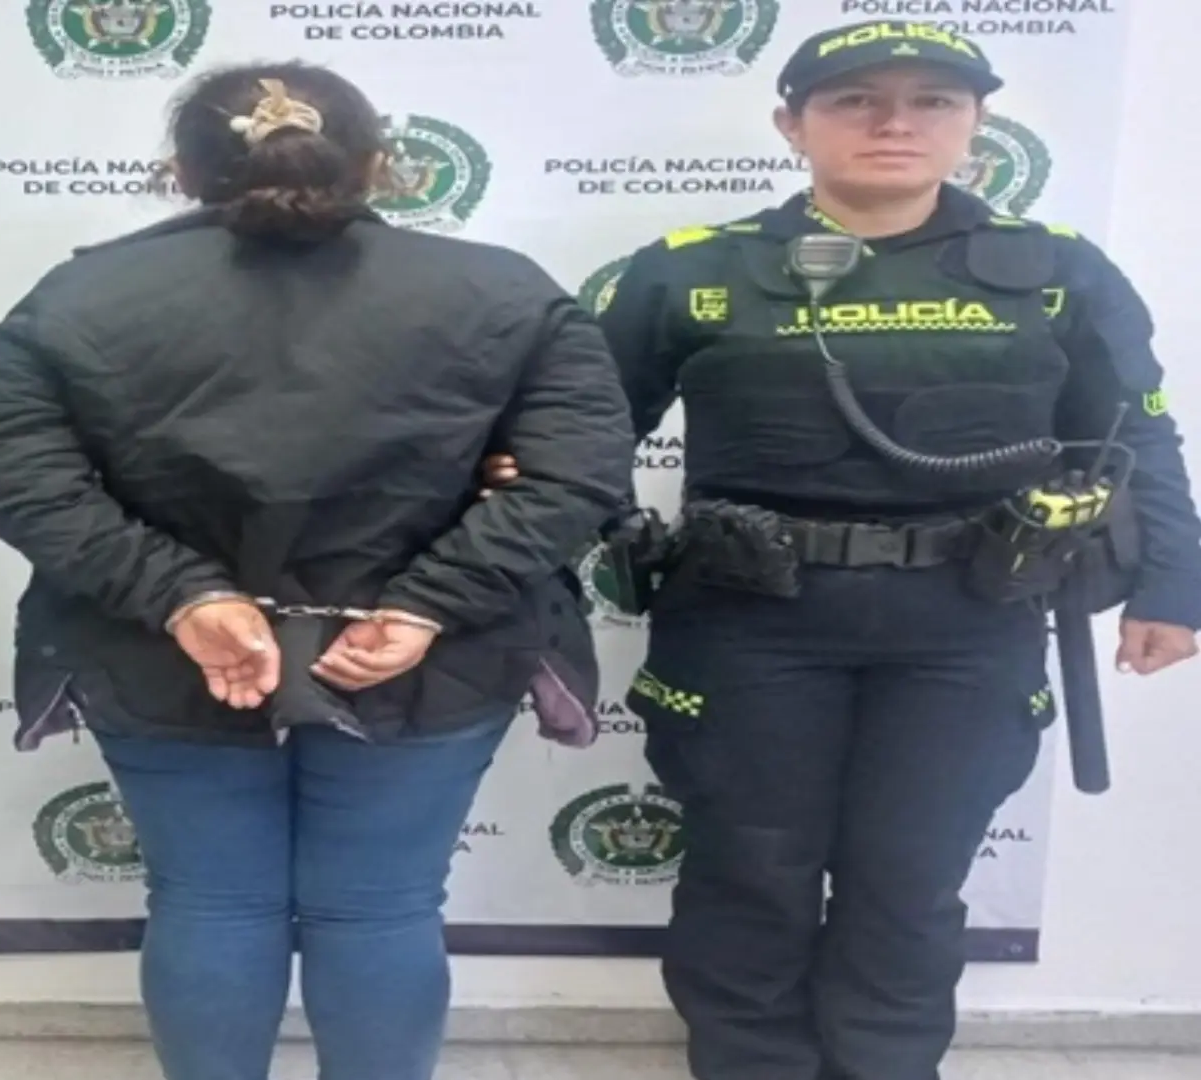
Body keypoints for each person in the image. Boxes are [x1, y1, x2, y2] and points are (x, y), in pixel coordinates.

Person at [483, 18, 1201, 1080]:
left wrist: (1174, 584)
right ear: (793, 124)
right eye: (856, 100)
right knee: (748, 876)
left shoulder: (1061, 272)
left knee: (911, 880)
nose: (895, 124)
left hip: (971, 623)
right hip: (747, 623)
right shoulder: (690, 270)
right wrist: (531, 564)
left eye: (932, 101)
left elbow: (1137, 437)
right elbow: (581, 442)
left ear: (976, 123)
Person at [0, 63, 633, 1080]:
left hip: (165, 651)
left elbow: (20, 479)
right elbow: (576, 476)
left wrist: (179, 596)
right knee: (381, 907)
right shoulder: (505, 291)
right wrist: (427, 606)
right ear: (379, 164)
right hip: (427, 655)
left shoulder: (75, 297)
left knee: (210, 902)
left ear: (181, 170)